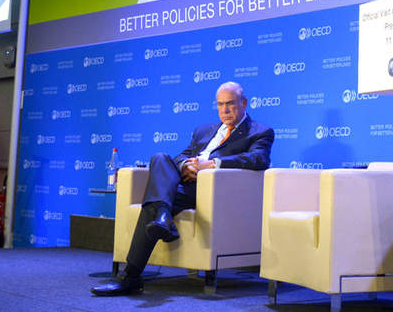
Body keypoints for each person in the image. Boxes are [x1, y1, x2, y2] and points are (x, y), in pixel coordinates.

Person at [91, 81, 274, 296]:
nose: (225, 110)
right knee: (160, 158)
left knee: (153, 202)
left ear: (243, 103)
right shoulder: (204, 131)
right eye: (220, 104)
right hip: (184, 182)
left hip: (212, 191)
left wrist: (212, 165)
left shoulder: (260, 132)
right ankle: (162, 216)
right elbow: (182, 155)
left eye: (230, 104)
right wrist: (185, 165)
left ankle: (130, 276)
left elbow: (258, 159)